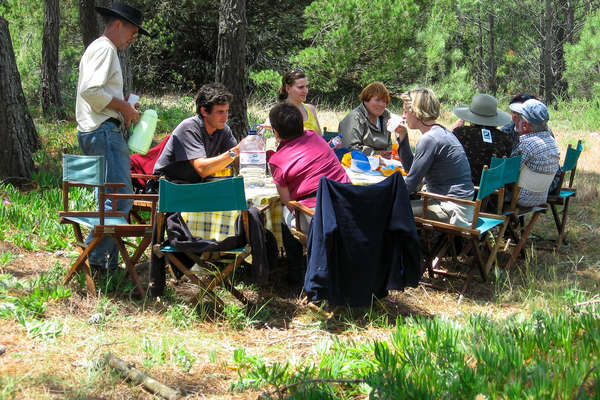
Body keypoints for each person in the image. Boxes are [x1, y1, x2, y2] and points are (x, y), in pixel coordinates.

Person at [76, 2, 152, 273]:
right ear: (118, 24)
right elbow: (91, 91)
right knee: (120, 199)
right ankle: (95, 262)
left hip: (98, 130)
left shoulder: (100, 48)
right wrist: (124, 108)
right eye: (133, 31)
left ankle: (106, 263)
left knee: (112, 199)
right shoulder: (105, 48)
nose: (134, 38)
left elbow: (96, 93)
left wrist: (123, 109)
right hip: (103, 131)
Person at [268, 103, 350, 283]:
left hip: (319, 220)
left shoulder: (276, 160)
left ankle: (296, 272)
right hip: (348, 209)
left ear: (275, 132)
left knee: (283, 214)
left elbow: (288, 202)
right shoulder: (314, 137)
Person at [395, 88, 475, 226]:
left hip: (452, 208)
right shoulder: (440, 132)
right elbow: (411, 168)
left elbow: (411, 184)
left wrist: (381, 192)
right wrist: (403, 136)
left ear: (416, 112)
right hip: (462, 205)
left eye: (405, 111)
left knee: (392, 210)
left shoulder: (430, 139)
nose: (403, 116)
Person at [153, 83, 240, 183]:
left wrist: (250, 151)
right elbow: (202, 169)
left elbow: (239, 163)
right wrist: (236, 151)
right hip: (168, 186)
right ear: (204, 111)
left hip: (195, 187)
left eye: (227, 111)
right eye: (220, 112)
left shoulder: (223, 129)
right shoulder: (189, 128)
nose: (225, 116)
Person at [451, 93, 513, 185]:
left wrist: (452, 132)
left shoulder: (461, 133)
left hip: (464, 190)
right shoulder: (505, 139)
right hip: (493, 193)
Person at [509, 99, 560, 207]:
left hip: (520, 198)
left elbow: (507, 172)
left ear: (525, 126)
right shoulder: (552, 141)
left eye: (519, 117)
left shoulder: (527, 145)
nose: (515, 120)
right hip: (541, 197)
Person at [338, 82, 395, 157]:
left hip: (383, 164)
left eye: (384, 101)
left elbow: (388, 145)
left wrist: (388, 154)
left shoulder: (386, 117)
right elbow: (350, 149)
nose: (381, 104)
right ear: (366, 100)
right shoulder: (354, 118)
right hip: (356, 164)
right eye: (377, 100)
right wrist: (377, 155)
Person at [276, 68, 322, 134]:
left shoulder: (310, 109)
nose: (306, 91)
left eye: (307, 86)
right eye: (301, 87)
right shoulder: (280, 113)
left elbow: (320, 139)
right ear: (288, 88)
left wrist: (329, 144)